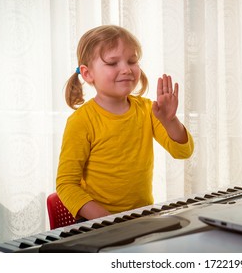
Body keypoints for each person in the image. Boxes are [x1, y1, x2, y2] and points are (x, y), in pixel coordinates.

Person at [56, 25, 194, 221]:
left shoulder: (148, 110)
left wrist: (170, 121)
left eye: (132, 61)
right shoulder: (81, 121)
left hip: (140, 219)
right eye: (112, 63)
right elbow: (66, 184)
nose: (126, 69)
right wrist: (109, 222)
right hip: (98, 223)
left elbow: (183, 152)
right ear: (87, 74)